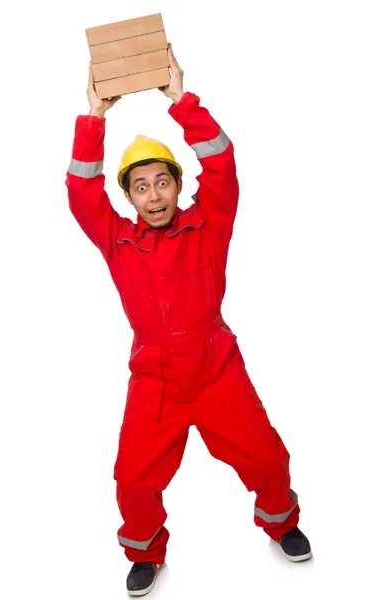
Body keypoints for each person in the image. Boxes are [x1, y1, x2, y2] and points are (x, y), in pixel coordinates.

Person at [66, 44, 312, 597]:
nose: (154, 196)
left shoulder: (209, 226)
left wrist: (181, 99)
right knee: (132, 479)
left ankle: (282, 523)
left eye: (163, 182)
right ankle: (146, 553)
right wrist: (95, 115)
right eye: (141, 186)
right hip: (154, 379)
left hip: (217, 365)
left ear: (178, 185)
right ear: (128, 196)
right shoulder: (119, 240)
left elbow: (222, 162)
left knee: (267, 455)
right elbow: (82, 191)